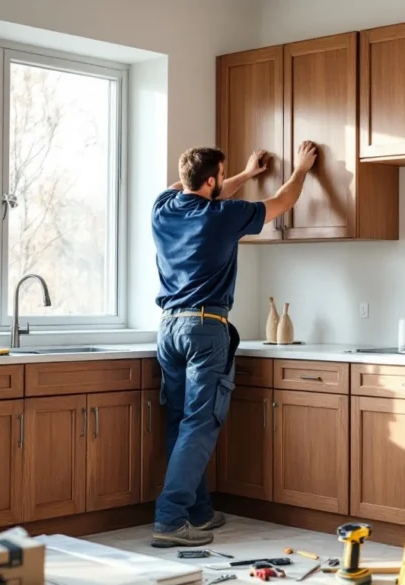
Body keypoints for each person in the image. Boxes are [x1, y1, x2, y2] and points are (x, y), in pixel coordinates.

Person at [150, 140, 318, 547]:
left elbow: (187, 184)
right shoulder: (223, 216)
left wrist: (242, 174)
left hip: (169, 329)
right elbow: (282, 200)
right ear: (212, 181)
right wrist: (301, 169)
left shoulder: (163, 207)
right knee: (200, 423)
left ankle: (198, 512)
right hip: (205, 328)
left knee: (181, 422)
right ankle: (171, 520)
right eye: (222, 177)